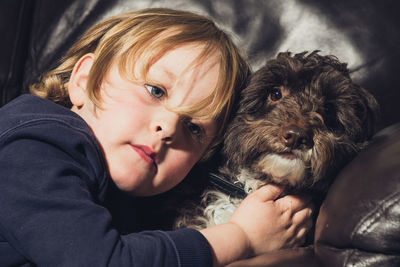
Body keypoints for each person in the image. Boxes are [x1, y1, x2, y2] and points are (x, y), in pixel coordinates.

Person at [0, 8, 313, 267]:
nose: (168, 128)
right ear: (84, 81)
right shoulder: (34, 143)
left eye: (193, 128)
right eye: (155, 90)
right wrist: (241, 236)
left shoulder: (128, 200)